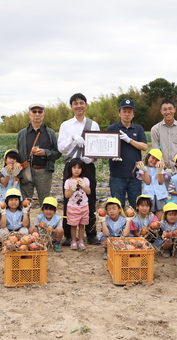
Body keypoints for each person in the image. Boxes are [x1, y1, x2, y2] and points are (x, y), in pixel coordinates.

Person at [57, 93, 101, 245]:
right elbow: (60, 147)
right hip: (71, 166)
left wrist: (93, 158)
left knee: (90, 198)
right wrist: (72, 138)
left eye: (81, 102)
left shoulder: (93, 125)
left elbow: (98, 147)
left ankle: (91, 233)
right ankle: (69, 236)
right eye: (75, 103)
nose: (79, 105)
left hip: (87, 165)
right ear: (71, 107)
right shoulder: (66, 125)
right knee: (69, 197)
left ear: (86, 105)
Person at [107, 99, 148, 208]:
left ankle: (135, 225)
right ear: (119, 113)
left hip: (135, 175)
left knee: (135, 207)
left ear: (133, 114)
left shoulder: (138, 129)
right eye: (124, 111)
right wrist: (112, 155)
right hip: (117, 175)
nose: (127, 114)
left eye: (130, 111)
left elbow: (144, 147)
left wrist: (129, 140)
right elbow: (105, 149)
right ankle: (119, 226)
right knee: (117, 207)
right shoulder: (112, 129)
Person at [17, 103, 62, 203]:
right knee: (25, 202)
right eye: (34, 112)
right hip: (26, 171)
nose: (37, 114)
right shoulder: (22, 133)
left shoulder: (50, 133)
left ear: (43, 114)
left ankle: (44, 219)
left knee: (45, 202)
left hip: (44, 172)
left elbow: (58, 153)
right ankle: (25, 219)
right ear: (29, 114)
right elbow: (18, 154)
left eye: (40, 112)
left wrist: (46, 152)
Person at [150, 99, 177, 171]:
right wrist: (163, 167)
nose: (168, 112)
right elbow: (156, 150)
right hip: (162, 169)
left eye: (170, 109)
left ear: (174, 110)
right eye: (164, 109)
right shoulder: (155, 129)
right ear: (161, 111)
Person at [64, 158, 91, 251]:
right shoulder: (68, 181)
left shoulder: (85, 180)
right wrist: (72, 188)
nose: (76, 170)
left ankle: (81, 241)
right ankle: (73, 241)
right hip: (72, 206)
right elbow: (66, 195)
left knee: (82, 224)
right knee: (73, 225)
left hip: (84, 206)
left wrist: (83, 186)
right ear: (70, 169)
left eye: (79, 168)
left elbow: (89, 192)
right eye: (74, 167)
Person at [136, 148, 169, 219]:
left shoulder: (160, 168)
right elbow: (147, 182)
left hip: (160, 194)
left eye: (156, 159)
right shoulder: (142, 168)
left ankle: (158, 228)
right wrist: (145, 170)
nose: (153, 161)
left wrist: (159, 171)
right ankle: (150, 228)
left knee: (160, 212)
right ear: (148, 156)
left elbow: (161, 182)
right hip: (149, 194)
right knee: (149, 213)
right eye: (152, 158)